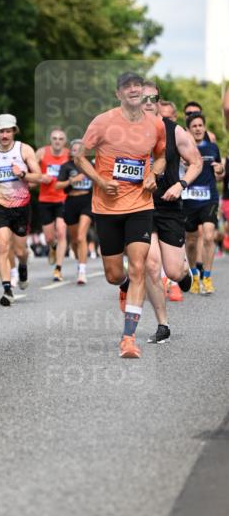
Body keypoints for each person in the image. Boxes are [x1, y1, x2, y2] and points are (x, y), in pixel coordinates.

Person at [76, 72, 166, 359]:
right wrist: (100, 182)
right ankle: (124, 285)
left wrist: (153, 173)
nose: (134, 90)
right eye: (127, 87)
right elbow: (79, 155)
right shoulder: (102, 122)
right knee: (115, 275)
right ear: (118, 94)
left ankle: (128, 338)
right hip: (107, 207)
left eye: (137, 86)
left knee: (139, 266)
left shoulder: (155, 124)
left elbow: (162, 155)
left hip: (140, 204)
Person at [140, 86, 201, 343]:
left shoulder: (174, 131)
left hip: (168, 205)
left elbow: (196, 162)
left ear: (158, 101)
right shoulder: (124, 131)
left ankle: (185, 272)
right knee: (151, 264)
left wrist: (181, 184)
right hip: (140, 205)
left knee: (173, 272)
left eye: (152, 98)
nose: (147, 102)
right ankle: (162, 324)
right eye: (142, 98)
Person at [0, 113, 41, 306]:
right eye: (1, 131)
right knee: (2, 245)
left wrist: (23, 174)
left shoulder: (24, 150)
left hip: (21, 206)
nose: (5, 135)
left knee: (20, 251)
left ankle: (23, 266)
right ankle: (7, 289)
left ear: (14, 131)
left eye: (8, 131)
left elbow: (39, 177)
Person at [183, 112, 223, 295]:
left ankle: (207, 277)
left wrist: (220, 169)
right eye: (194, 126)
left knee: (208, 236)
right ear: (188, 130)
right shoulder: (182, 148)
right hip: (188, 200)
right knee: (190, 241)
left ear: (204, 128)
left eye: (200, 125)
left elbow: (220, 173)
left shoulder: (213, 148)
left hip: (209, 199)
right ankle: (194, 276)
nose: (198, 129)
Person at [55, 139, 94, 285]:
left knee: (81, 235)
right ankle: (80, 263)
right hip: (71, 202)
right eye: (75, 148)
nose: (77, 150)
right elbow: (57, 186)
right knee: (74, 240)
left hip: (87, 201)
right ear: (71, 151)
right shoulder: (66, 167)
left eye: (80, 148)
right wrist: (73, 181)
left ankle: (82, 271)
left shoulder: (91, 165)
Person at [36, 128, 70, 282]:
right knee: (49, 237)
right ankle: (53, 247)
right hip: (45, 199)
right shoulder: (41, 153)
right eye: (54, 138)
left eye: (60, 139)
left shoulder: (69, 155)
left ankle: (58, 268)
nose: (57, 141)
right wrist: (40, 178)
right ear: (50, 140)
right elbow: (30, 171)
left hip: (63, 198)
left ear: (65, 141)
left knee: (62, 231)